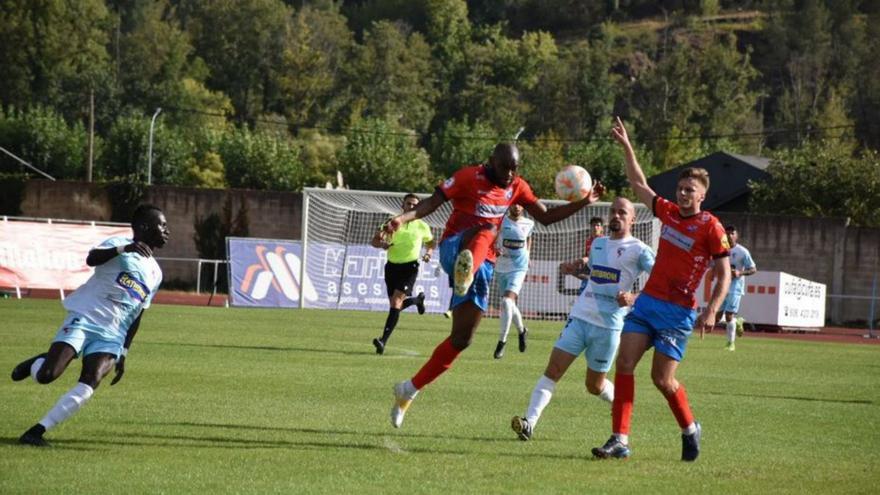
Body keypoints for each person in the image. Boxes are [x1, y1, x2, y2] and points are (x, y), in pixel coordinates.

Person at [384, 143, 605, 428]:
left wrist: (584, 202)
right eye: (505, 168)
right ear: (491, 162)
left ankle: (408, 390)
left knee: (462, 340)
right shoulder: (467, 177)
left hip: (483, 264)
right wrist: (402, 219)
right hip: (455, 248)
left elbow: (546, 217)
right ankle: (466, 272)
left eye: (515, 169)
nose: (510, 174)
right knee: (487, 228)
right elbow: (432, 202)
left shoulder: (517, 186)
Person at [591, 117, 730, 462]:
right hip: (648, 304)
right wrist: (627, 146)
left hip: (677, 313)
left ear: (702, 195)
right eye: (680, 189)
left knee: (662, 380)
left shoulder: (711, 227)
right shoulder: (667, 212)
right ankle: (620, 439)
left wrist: (712, 309)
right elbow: (638, 183)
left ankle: (689, 427)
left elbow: (723, 272)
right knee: (624, 364)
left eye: (689, 191)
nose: (682, 195)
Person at [10, 204, 169, 447]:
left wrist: (124, 351)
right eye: (162, 225)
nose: (167, 231)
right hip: (86, 318)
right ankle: (38, 363)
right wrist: (123, 248)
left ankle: (36, 432)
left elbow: (138, 314)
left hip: (113, 335)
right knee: (47, 376)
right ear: (145, 227)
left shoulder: (156, 273)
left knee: (91, 380)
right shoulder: (119, 244)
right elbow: (92, 259)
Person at [511, 197, 654, 440]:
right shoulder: (598, 243)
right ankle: (529, 423)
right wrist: (576, 266)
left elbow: (659, 280)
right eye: (613, 211)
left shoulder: (639, 249)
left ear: (633, 218)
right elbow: (597, 272)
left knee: (594, 386)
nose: (616, 216)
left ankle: (619, 405)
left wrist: (634, 297)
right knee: (553, 369)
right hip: (579, 318)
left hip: (608, 327)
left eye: (622, 212)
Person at [371, 193, 435, 355]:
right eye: (408, 204)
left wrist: (428, 253)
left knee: (396, 302)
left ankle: (383, 340)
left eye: (415, 205)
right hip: (391, 267)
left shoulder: (422, 226)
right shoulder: (392, 222)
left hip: (410, 267)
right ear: (403, 205)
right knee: (395, 304)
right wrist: (382, 244)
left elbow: (430, 242)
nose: (411, 207)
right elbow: (375, 240)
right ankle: (417, 300)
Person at [493, 204, 535, 359]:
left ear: (523, 207)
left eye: (520, 204)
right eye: (514, 204)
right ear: (509, 205)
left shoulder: (529, 223)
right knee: (509, 305)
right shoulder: (501, 221)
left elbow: (529, 239)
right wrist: (494, 248)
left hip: (519, 267)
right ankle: (522, 330)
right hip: (501, 265)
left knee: (506, 302)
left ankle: (501, 342)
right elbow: (492, 236)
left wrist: (528, 255)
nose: (517, 207)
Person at [719, 224, 757, 351]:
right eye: (727, 233)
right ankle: (738, 321)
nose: (729, 236)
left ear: (736, 236)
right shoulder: (721, 249)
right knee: (717, 317)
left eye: (732, 233)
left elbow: (753, 269)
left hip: (735, 288)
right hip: (722, 286)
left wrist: (740, 273)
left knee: (729, 316)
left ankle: (731, 344)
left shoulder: (742, 251)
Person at [560, 217, 605, 293]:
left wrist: (584, 259)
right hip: (590, 270)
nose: (595, 227)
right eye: (593, 225)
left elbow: (598, 257)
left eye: (598, 225)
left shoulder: (604, 241)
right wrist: (574, 264)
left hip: (602, 272)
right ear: (590, 227)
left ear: (602, 228)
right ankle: (571, 271)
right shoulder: (588, 241)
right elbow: (586, 257)